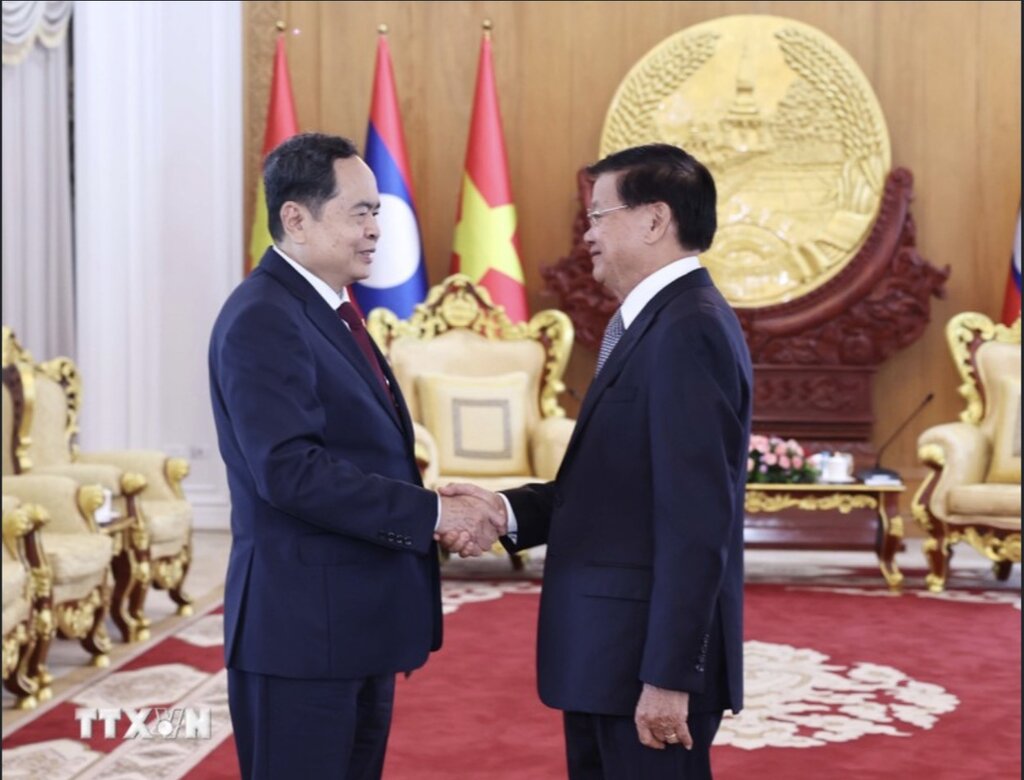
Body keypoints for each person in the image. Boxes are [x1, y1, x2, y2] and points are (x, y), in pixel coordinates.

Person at [444, 143, 753, 779]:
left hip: (643, 667)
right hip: (609, 657)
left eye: (598, 216)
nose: (587, 234)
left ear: (654, 219)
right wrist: (503, 510)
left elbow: (698, 522)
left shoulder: (688, 330)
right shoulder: (653, 323)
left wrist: (669, 677)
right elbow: (612, 489)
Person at [208, 132, 500, 779]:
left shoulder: (327, 309)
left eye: (378, 212)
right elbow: (290, 471)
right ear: (296, 218)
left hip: (351, 627)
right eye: (360, 212)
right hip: (301, 635)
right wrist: (433, 514)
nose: (376, 229)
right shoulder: (264, 317)